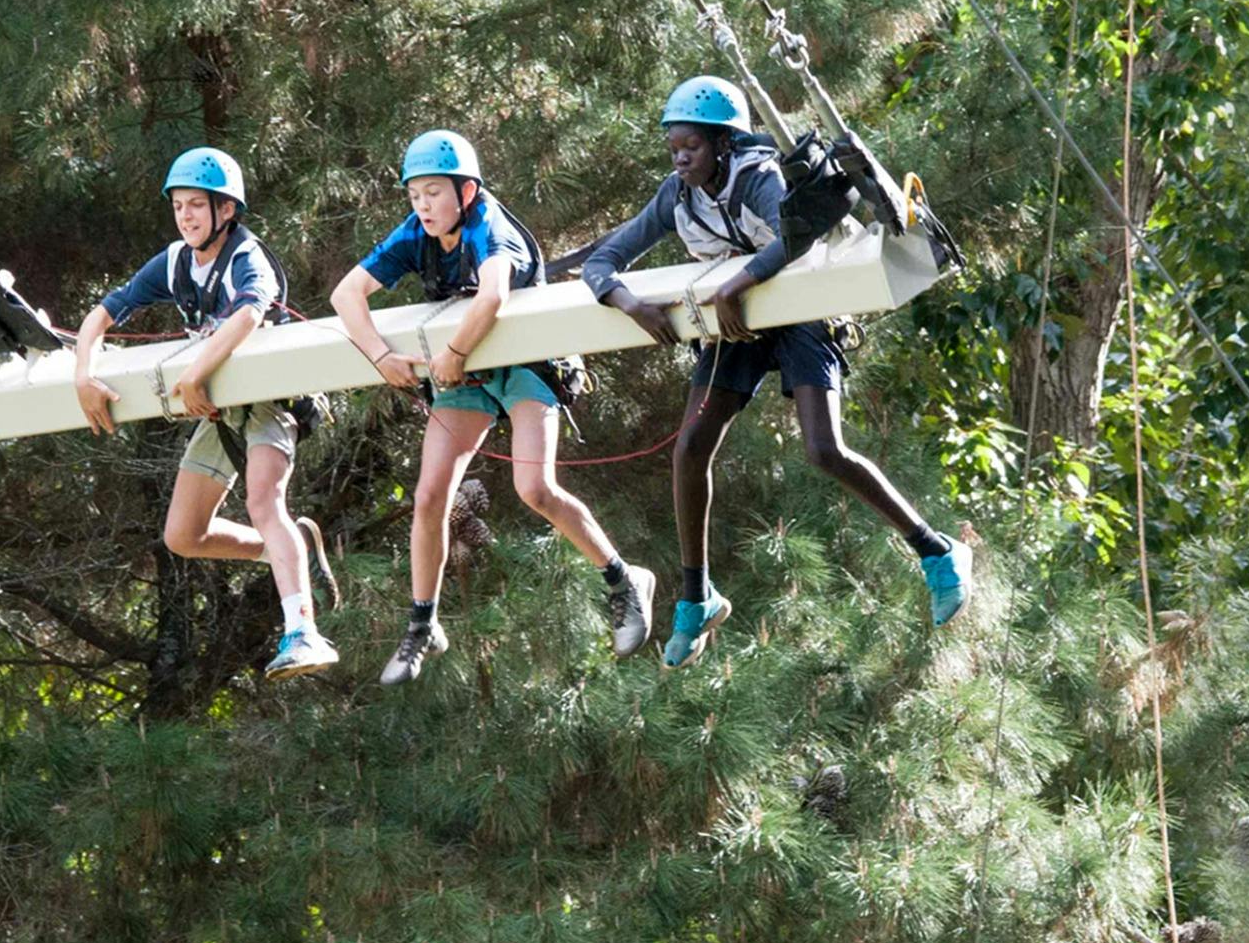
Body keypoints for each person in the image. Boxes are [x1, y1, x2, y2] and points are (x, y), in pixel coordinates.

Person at [581, 76, 972, 667]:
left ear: (723, 143)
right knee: (689, 448)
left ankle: (937, 551)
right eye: (674, 148)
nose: (681, 159)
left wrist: (738, 283)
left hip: (798, 313)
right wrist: (629, 303)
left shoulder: (759, 177)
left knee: (824, 449)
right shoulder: (677, 195)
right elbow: (603, 260)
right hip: (738, 327)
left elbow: (796, 237)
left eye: (692, 146)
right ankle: (696, 597)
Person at [331, 130, 657, 685]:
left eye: (434, 193)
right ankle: (423, 623)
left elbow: (494, 295)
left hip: (527, 363)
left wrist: (455, 352)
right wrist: (381, 356)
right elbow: (345, 295)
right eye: (414, 195)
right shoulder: (417, 232)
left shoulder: (490, 226)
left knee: (535, 489)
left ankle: (624, 579)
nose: (423, 206)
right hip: (469, 375)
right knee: (429, 496)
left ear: (466, 190)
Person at [72, 147, 341, 681]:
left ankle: (304, 633)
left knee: (263, 502)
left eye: (196, 205)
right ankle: (290, 548)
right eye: (178, 206)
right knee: (183, 535)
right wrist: (84, 374)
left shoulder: (246, 256)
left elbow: (249, 314)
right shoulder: (176, 261)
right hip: (220, 408)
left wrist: (195, 375)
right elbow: (101, 314)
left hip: (270, 401)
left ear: (226, 210)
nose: (186, 216)